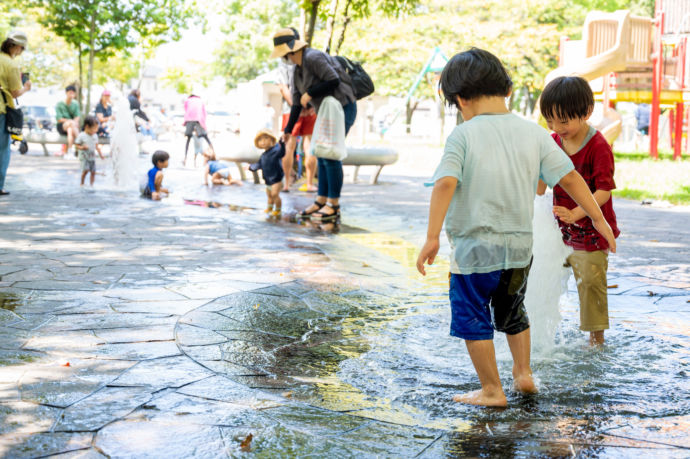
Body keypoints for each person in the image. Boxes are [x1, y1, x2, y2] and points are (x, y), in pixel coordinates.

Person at [415, 48, 616, 408]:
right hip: (520, 251)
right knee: (513, 310)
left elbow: (445, 182)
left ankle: (492, 390)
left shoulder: (463, 135)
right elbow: (569, 177)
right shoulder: (534, 134)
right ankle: (523, 374)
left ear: (461, 99)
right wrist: (598, 219)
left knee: (473, 316)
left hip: (475, 252)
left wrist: (431, 238)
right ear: (506, 91)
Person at [537, 76, 620, 346]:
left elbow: (604, 191)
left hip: (591, 233)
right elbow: (540, 186)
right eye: (550, 121)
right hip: (560, 230)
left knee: (591, 286)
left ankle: (596, 340)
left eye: (563, 121)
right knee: (543, 276)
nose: (557, 128)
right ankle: (542, 331)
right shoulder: (552, 142)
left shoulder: (598, 147)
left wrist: (576, 213)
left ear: (586, 113)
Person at [271, 27, 357, 222]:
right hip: (327, 114)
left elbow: (333, 80)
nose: (285, 58)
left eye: (285, 54)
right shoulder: (297, 69)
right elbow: (295, 102)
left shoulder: (313, 57)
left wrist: (310, 93)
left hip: (342, 108)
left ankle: (333, 205)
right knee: (322, 153)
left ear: (291, 50)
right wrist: (287, 130)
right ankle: (321, 201)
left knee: (331, 156)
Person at [276, 27, 317, 193]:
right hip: (310, 107)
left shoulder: (283, 62)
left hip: (290, 108)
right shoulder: (308, 57)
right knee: (309, 146)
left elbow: (283, 88)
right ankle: (309, 183)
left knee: (289, 146)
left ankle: (286, 184)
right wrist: (307, 105)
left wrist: (295, 105)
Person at [0, 30, 31, 196]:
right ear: (17, 47)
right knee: (2, 149)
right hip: (2, 110)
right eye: (22, 48)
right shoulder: (11, 64)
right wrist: (25, 87)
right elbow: (14, 93)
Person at [249, 129, 286, 216]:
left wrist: (282, 144)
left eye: (266, 138)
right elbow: (259, 164)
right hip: (268, 179)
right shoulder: (263, 155)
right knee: (269, 195)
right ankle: (269, 207)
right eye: (260, 140)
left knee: (275, 194)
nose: (263, 141)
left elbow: (282, 153)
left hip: (277, 178)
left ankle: (278, 209)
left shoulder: (276, 151)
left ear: (272, 139)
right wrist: (251, 167)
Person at [183, 93, 213, 166]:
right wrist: (203, 123)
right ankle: (214, 154)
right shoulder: (200, 100)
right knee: (206, 137)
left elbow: (186, 110)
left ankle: (185, 158)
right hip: (198, 119)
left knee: (188, 139)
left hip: (189, 119)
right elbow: (204, 113)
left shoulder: (187, 100)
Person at [74, 115, 105, 186]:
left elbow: (97, 147)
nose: (96, 130)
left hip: (92, 157)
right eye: (94, 129)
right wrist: (82, 147)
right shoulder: (82, 135)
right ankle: (82, 183)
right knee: (86, 170)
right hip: (84, 157)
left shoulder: (95, 136)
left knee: (93, 172)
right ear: (87, 127)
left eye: (97, 128)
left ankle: (91, 185)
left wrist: (101, 155)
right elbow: (76, 145)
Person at [55, 85, 80, 156]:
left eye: (73, 93)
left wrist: (73, 122)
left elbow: (77, 116)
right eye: (70, 92)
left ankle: (69, 151)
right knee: (71, 125)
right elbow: (59, 119)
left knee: (70, 130)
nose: (71, 94)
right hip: (61, 126)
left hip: (72, 126)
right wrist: (71, 121)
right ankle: (80, 142)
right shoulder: (60, 104)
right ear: (66, 93)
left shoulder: (75, 103)